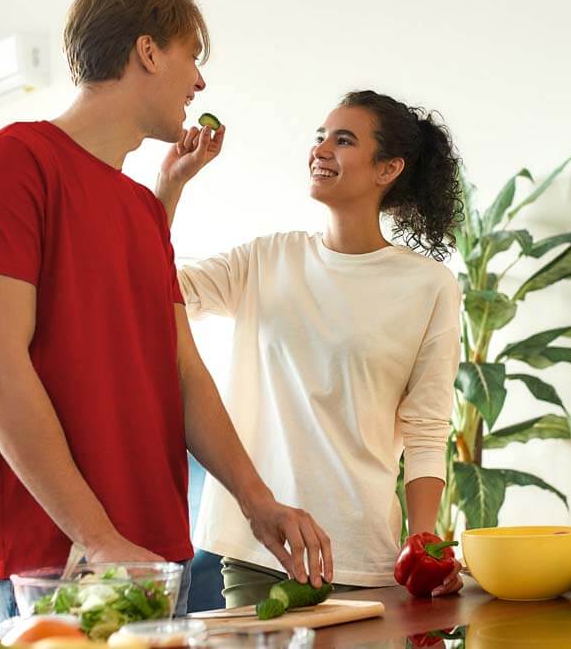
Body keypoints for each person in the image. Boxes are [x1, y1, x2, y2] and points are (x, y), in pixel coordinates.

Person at [0, 0, 332, 628]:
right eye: (192, 58)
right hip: (62, 563)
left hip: (156, 555)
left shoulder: (142, 210)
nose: (200, 84)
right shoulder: (9, 164)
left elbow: (183, 372)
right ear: (148, 52)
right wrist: (99, 539)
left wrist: (256, 499)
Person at [156, 90, 465, 606]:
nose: (320, 150)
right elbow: (152, 286)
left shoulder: (430, 287)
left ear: (388, 169)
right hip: (259, 552)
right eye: (319, 137)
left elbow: (427, 429)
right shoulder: (266, 260)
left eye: (343, 140)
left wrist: (425, 540)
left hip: (362, 559)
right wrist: (170, 187)